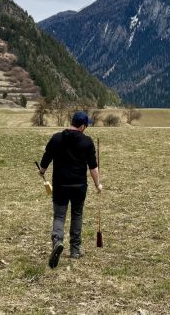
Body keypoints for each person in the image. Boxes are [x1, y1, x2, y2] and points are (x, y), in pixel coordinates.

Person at [39, 111, 102, 268]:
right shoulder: (87, 142)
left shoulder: (56, 138)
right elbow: (93, 167)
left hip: (60, 185)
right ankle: (75, 249)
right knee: (77, 215)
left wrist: (42, 170)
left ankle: (57, 241)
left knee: (59, 216)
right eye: (86, 125)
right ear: (82, 126)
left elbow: (46, 157)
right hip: (79, 187)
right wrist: (98, 184)